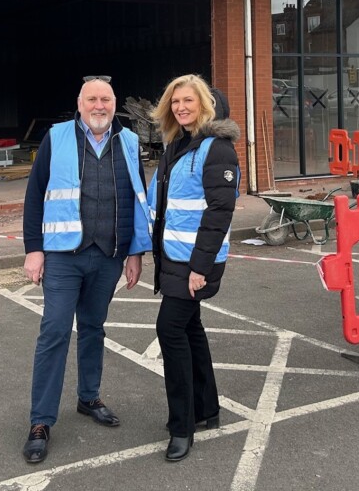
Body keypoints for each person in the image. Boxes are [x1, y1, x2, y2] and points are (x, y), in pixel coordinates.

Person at [20, 75, 152, 464]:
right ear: (80, 104)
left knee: (94, 327)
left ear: (115, 105)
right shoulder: (56, 137)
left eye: (106, 100)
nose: (99, 106)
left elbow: (135, 197)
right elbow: (35, 194)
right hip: (63, 254)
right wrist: (34, 249)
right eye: (92, 99)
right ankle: (41, 422)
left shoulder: (129, 141)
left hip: (108, 253)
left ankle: (88, 397)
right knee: (55, 331)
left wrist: (135, 252)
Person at [148, 74, 239, 462]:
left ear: (205, 104)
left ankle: (182, 427)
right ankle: (207, 409)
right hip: (173, 256)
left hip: (196, 262)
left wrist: (199, 267)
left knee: (169, 329)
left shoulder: (216, 148)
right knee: (190, 328)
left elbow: (220, 212)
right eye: (175, 102)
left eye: (188, 100)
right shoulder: (178, 144)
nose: (181, 107)